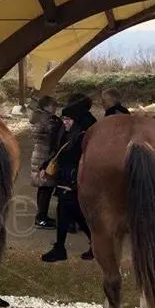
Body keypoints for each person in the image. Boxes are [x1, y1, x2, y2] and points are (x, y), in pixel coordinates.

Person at [39, 95, 96, 263]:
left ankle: (62, 248)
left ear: (76, 119)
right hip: (65, 178)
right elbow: (58, 151)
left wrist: (75, 182)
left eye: (68, 119)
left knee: (70, 212)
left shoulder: (84, 135)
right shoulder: (66, 132)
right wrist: (45, 165)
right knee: (71, 213)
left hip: (74, 181)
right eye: (63, 119)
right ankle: (64, 247)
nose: (65, 122)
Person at [27, 94, 61, 230]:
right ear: (47, 106)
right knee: (46, 187)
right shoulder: (44, 119)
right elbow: (39, 132)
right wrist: (54, 127)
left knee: (44, 187)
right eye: (53, 105)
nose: (55, 108)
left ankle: (41, 215)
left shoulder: (41, 117)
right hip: (44, 155)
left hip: (40, 154)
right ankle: (41, 218)